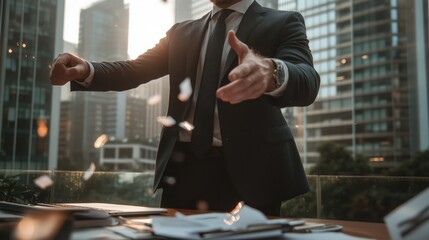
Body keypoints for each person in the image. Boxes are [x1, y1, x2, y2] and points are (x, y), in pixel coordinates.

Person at [50, 0, 320, 216]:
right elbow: (135, 70)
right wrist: (87, 69)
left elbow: (307, 78)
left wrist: (272, 71)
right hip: (183, 168)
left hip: (255, 171)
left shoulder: (284, 21)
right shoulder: (181, 31)